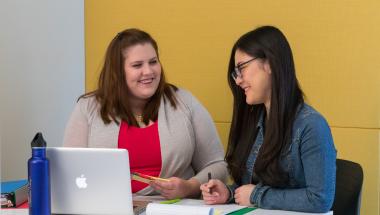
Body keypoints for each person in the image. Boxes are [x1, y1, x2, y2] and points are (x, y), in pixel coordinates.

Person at [63, 28, 227, 199]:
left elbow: (217, 165)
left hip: (172, 208)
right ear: (117, 72)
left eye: (153, 62)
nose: (149, 71)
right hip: (106, 206)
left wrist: (189, 187)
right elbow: (68, 169)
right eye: (137, 65)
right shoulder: (87, 107)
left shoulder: (184, 101)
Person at [200, 26, 336, 213]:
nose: (238, 80)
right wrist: (229, 193)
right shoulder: (256, 120)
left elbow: (320, 199)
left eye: (242, 68)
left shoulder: (311, 126)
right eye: (235, 72)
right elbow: (252, 187)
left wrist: (256, 196)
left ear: (270, 63)